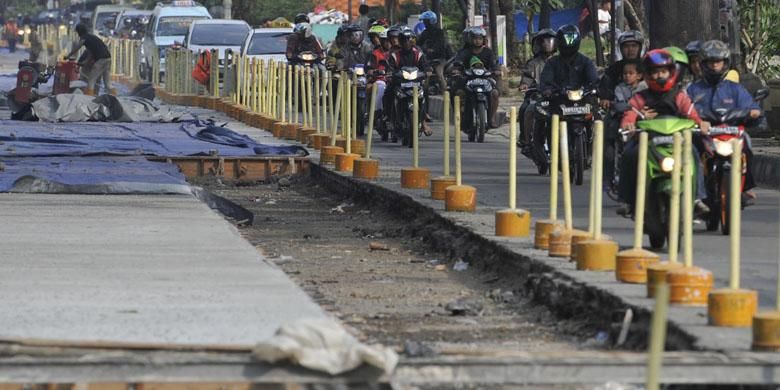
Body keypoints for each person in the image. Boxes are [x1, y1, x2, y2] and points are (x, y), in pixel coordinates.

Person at [617, 49, 710, 216]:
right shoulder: (640, 97)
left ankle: (697, 198)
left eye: (663, 71)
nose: (659, 76)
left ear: (671, 72)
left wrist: (701, 124)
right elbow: (630, 113)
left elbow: (691, 113)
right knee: (629, 155)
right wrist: (628, 125)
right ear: (647, 74)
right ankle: (627, 200)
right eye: (655, 72)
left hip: (677, 141)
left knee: (695, 154)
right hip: (647, 141)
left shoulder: (679, 95)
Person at [687, 39, 761, 203]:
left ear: (725, 63)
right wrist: (696, 120)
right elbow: (684, 108)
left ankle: (745, 186)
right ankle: (695, 193)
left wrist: (753, 112)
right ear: (703, 64)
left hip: (730, 133)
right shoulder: (693, 89)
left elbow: (751, 106)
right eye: (711, 62)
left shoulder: (735, 88)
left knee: (747, 143)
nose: (715, 66)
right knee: (691, 151)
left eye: (718, 62)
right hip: (704, 134)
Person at [604, 59, 646, 197]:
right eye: (625, 74)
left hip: (642, 122)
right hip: (623, 121)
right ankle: (611, 179)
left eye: (631, 73)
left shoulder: (645, 87)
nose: (627, 76)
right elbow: (622, 105)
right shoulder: (619, 88)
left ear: (639, 75)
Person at [449, 26, 501, 131]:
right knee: (459, 93)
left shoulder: (488, 52)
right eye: (475, 38)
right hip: (467, 80)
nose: (477, 41)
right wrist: (457, 70)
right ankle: (461, 117)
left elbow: (494, 64)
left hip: (485, 80)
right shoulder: (464, 52)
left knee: (495, 93)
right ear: (470, 39)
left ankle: (491, 118)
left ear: (484, 40)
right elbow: (457, 63)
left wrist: (496, 70)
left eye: (480, 38)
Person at [387, 27, 431, 138]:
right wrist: (390, 73)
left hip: (415, 83)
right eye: (404, 40)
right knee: (388, 91)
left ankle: (424, 117)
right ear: (400, 42)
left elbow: (426, 66)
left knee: (425, 91)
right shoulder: (395, 55)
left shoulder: (418, 54)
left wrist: (428, 71)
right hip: (400, 83)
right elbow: (390, 68)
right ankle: (389, 118)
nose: (407, 43)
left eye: (409, 40)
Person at [517, 28, 556, 154]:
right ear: (538, 44)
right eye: (544, 42)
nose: (548, 44)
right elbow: (527, 77)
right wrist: (524, 85)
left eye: (550, 41)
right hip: (537, 96)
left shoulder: (560, 61)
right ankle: (526, 140)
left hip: (557, 96)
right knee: (525, 109)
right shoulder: (533, 63)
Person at [598, 30, 644, 110]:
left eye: (634, 46)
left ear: (640, 47)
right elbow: (606, 84)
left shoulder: (647, 65)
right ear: (621, 49)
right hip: (619, 110)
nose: (630, 49)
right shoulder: (614, 68)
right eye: (626, 46)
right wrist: (605, 98)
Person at [67, 23, 113, 96]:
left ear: (79, 32)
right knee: (107, 82)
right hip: (108, 59)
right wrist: (84, 62)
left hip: (101, 60)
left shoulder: (84, 38)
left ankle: (89, 98)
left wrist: (68, 55)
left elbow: (77, 47)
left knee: (91, 80)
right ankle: (113, 98)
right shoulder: (92, 38)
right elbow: (90, 54)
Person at [416, 10, 452, 95]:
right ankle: (421, 94)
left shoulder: (440, 32)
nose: (424, 23)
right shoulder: (424, 33)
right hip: (427, 59)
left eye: (426, 21)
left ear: (431, 21)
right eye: (424, 21)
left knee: (439, 74)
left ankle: (445, 94)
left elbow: (440, 44)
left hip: (439, 59)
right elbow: (418, 44)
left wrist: (433, 50)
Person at [367, 25, 390, 140]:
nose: (388, 43)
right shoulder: (375, 53)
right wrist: (375, 71)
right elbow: (370, 68)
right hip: (381, 80)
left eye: (390, 40)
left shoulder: (397, 53)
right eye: (385, 41)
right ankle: (378, 112)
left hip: (395, 80)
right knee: (380, 87)